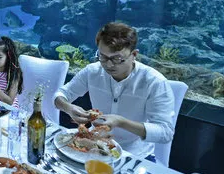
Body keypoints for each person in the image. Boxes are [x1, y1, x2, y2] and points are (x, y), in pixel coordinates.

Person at [53, 22, 175, 159]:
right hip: (94, 146)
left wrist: (121, 122)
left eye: (117, 58)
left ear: (134, 54)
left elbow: (166, 132)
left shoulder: (154, 82)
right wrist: (68, 108)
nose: (109, 65)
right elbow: (60, 95)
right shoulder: (92, 71)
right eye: (103, 57)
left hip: (135, 154)